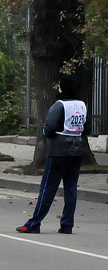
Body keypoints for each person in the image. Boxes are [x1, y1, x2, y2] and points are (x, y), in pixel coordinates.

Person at [17, 74, 88, 234]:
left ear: (63, 88)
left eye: (60, 86)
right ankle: (67, 225)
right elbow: (86, 128)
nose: (58, 88)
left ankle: (34, 224)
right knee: (71, 188)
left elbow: (49, 128)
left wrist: (45, 130)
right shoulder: (82, 105)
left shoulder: (59, 105)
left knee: (48, 188)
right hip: (77, 151)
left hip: (59, 152)